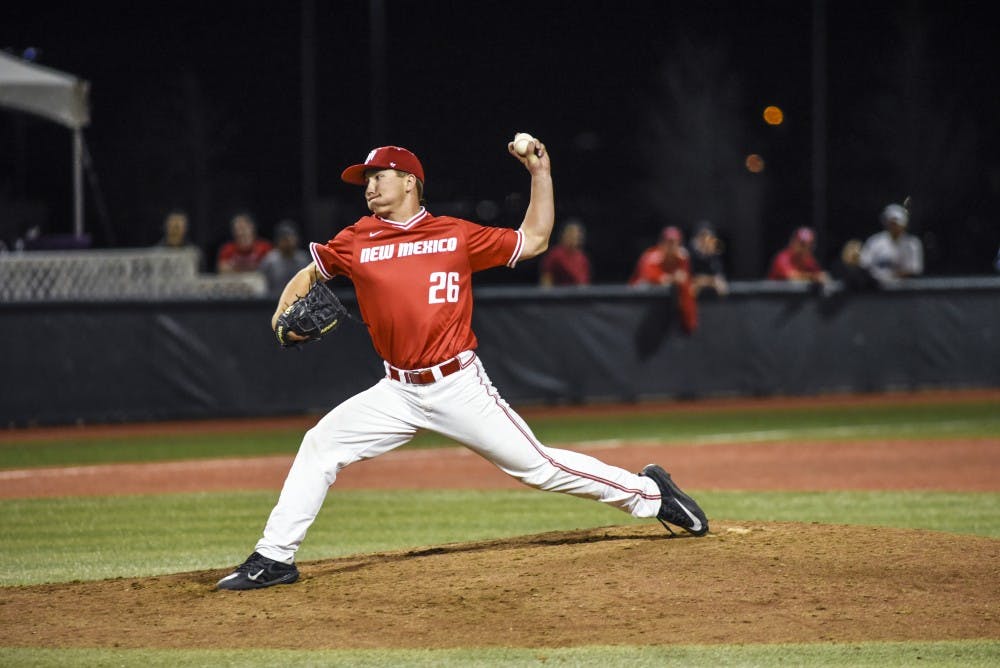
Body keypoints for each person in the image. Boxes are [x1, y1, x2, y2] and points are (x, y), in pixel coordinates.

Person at [216, 141, 709, 590]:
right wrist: (282, 318)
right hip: (396, 391)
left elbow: (533, 240)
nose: (368, 187)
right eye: (365, 181)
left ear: (409, 181)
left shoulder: (454, 235)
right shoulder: (356, 238)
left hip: (457, 385)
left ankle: (650, 493)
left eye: (377, 176)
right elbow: (308, 273)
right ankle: (275, 558)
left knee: (539, 467)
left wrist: (541, 173)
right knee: (320, 445)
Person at [628, 226, 697, 333]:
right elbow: (650, 279)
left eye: (675, 242)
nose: (672, 246)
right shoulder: (651, 256)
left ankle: (688, 323)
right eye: (669, 242)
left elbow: (685, 279)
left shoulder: (682, 257)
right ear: (661, 243)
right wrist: (672, 278)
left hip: (665, 307)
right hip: (641, 305)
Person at [858, 203, 923, 285]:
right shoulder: (874, 241)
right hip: (877, 288)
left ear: (904, 224)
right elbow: (864, 264)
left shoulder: (912, 243)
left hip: (904, 290)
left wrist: (889, 277)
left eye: (897, 223)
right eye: (891, 223)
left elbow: (914, 270)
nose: (894, 226)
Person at [258, 220, 310, 296]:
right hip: (274, 301)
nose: (288, 242)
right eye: (284, 239)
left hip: (301, 301)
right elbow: (263, 286)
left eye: (291, 238)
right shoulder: (270, 261)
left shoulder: (303, 259)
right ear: (278, 241)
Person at [539, 219, 590, 286]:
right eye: (571, 234)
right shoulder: (554, 255)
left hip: (578, 295)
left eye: (577, 234)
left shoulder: (582, 258)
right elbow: (546, 280)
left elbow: (584, 283)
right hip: (558, 295)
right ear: (564, 235)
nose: (575, 237)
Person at [688, 222, 728, 297]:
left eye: (709, 238)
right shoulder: (689, 254)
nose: (705, 241)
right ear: (696, 240)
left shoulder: (714, 256)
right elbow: (691, 279)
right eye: (702, 237)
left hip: (711, 303)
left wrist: (706, 281)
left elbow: (720, 280)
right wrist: (709, 281)